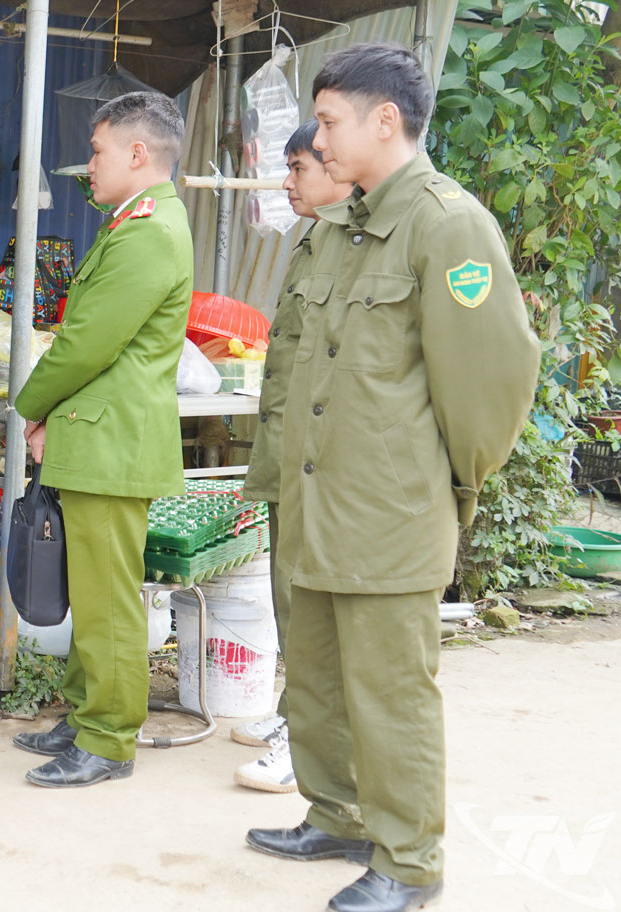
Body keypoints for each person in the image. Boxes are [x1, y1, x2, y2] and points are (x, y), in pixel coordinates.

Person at [245, 43, 538, 912]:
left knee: (392, 694)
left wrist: (446, 491)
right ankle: (336, 814)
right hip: (318, 501)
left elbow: (489, 387)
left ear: (384, 120)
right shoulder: (347, 226)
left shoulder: (449, 226)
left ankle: (410, 863)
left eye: (329, 122)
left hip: (389, 512)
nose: (319, 141)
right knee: (320, 676)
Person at [9, 92, 193, 789]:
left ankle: (109, 739)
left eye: (97, 150)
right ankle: (88, 715)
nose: (88, 165)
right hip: (99, 437)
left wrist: (28, 405)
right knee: (93, 593)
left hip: (112, 445)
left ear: (137, 154)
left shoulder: (148, 232)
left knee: (109, 601)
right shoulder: (133, 224)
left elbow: (86, 344)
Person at [232, 120, 353, 794]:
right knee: (287, 593)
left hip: (321, 459)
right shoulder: (316, 241)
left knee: (309, 604)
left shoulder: (353, 245)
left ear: (339, 168)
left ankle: (309, 742)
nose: (287, 182)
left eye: (300, 167)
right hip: (288, 449)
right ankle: (293, 716)